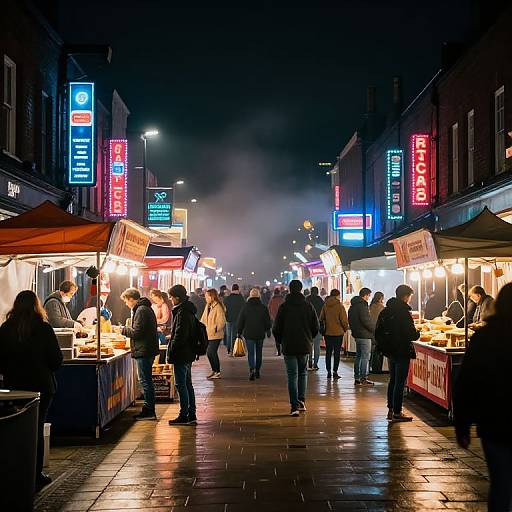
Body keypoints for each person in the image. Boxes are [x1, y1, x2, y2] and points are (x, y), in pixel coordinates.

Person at [453, 283, 512, 512]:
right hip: (495, 421)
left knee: (500, 483)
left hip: (493, 422)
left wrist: (463, 424)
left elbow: (467, 382)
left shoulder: (485, 337)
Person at [0, 290, 63, 491]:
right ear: (37, 306)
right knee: (36, 426)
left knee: (14, 429)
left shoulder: (6, 328)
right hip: (41, 386)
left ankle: (15, 471)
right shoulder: (44, 329)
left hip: (15, 387)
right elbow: (56, 359)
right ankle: (35, 474)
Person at [273, 280, 319, 416]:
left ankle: (294, 406)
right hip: (304, 344)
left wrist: (280, 341)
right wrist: (309, 338)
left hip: (288, 345)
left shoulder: (284, 307)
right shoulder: (308, 306)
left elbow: (276, 328)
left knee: (292, 375)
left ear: (289, 289)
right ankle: (301, 401)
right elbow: (315, 327)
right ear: (301, 289)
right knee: (303, 373)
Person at [377, 284, 420, 422]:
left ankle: (390, 410)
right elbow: (412, 334)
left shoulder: (385, 311)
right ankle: (397, 412)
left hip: (390, 351)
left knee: (393, 380)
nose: (410, 299)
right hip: (401, 350)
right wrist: (418, 332)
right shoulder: (403, 313)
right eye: (410, 296)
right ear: (405, 296)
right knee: (400, 382)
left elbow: (378, 331)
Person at [120, 288, 159, 420]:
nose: (126, 304)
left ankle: (149, 411)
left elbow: (137, 333)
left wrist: (122, 330)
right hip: (146, 349)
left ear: (131, 299)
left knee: (145, 381)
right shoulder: (143, 308)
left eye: (126, 301)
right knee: (146, 380)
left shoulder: (141, 310)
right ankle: (149, 409)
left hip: (144, 350)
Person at [166, 285, 198, 425]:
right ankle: (191, 413)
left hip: (182, 353)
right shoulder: (188, 310)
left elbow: (180, 335)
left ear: (177, 297)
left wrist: (171, 350)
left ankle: (184, 414)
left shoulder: (182, 312)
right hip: (188, 352)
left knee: (181, 385)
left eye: (171, 297)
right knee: (187, 383)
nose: (170, 300)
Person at [237, 288, 272, 380]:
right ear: (259, 296)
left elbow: (241, 321)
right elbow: (267, 321)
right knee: (259, 352)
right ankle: (257, 371)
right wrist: (268, 330)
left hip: (249, 333)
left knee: (251, 353)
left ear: (250, 295)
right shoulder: (263, 307)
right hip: (260, 333)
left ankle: (251, 369)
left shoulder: (245, 307)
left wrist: (239, 332)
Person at [320, 289, 348, 379]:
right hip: (338, 333)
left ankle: (328, 371)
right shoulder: (340, 306)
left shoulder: (325, 305)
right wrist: (345, 329)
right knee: (336, 353)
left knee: (328, 352)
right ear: (337, 296)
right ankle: (335, 372)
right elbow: (344, 320)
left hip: (327, 332)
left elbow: (321, 318)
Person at [348, 287, 375, 386]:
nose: (368, 298)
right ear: (366, 295)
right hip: (364, 335)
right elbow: (366, 321)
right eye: (368, 295)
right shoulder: (362, 306)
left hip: (357, 335)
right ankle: (363, 378)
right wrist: (374, 329)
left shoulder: (352, 307)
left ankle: (357, 378)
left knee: (358, 356)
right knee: (365, 357)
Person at [201, 289, 226, 379]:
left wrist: (215, 329)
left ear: (212, 296)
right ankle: (214, 370)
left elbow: (222, 321)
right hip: (208, 333)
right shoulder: (208, 306)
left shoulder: (218, 307)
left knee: (211, 352)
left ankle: (217, 371)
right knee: (210, 353)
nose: (205, 298)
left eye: (207, 296)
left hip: (215, 334)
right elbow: (204, 318)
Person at [223, 284, 246, 355]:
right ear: (238, 289)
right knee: (237, 334)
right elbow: (244, 309)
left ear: (232, 289)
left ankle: (229, 349)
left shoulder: (227, 298)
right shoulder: (241, 298)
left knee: (229, 334)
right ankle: (236, 348)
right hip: (239, 319)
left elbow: (224, 308)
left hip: (229, 319)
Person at [306, 286, 324, 370]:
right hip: (318, 326)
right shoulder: (321, 301)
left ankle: (309, 362)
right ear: (317, 292)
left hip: (308, 327)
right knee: (317, 346)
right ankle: (315, 363)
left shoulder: (306, 300)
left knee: (309, 345)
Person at [369, 291, 385, 373]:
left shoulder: (371, 306)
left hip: (371, 330)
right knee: (378, 350)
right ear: (380, 298)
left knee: (372, 350)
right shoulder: (381, 307)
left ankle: (370, 366)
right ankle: (377, 368)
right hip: (379, 331)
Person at [268, 288, 285, 355]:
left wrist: (271, 318)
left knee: (277, 335)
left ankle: (278, 351)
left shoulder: (272, 301)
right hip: (283, 320)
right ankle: (283, 349)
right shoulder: (283, 300)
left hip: (275, 320)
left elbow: (269, 310)